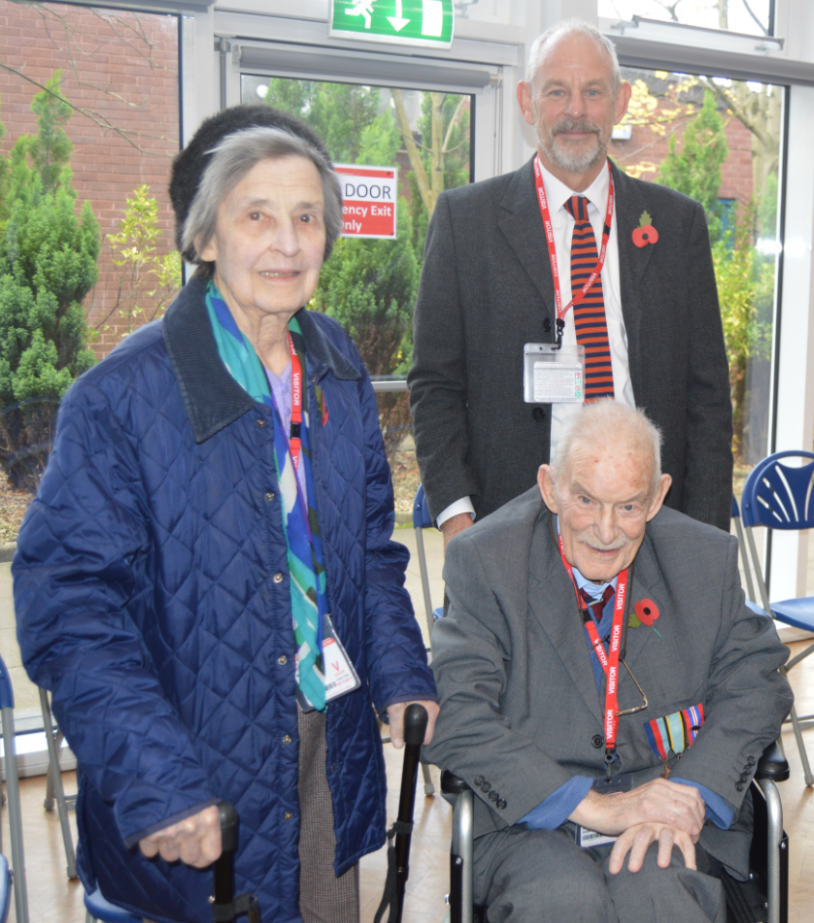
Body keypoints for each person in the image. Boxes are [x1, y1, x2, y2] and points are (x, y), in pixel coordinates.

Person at [13, 105, 439, 923]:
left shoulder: (337, 363)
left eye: (306, 217)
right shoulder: (119, 399)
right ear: (205, 239)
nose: (287, 242)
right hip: (194, 756)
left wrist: (402, 675)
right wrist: (159, 782)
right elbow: (69, 609)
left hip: (327, 732)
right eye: (257, 216)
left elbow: (367, 548)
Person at [424, 400, 791, 923]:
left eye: (628, 506)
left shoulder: (704, 559)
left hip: (665, 795)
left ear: (658, 496)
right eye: (586, 499)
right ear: (550, 487)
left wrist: (689, 794)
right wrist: (594, 807)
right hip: (531, 818)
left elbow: (757, 682)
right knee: (561, 901)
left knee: (658, 896)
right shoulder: (485, 562)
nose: (605, 530)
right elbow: (458, 713)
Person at [408, 19, 733, 550]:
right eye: (556, 91)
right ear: (527, 102)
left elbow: (709, 401)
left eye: (593, 92)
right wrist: (458, 521)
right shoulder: (464, 221)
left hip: (650, 525)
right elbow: (434, 385)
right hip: (508, 529)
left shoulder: (678, 225)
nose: (575, 110)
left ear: (621, 101)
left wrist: (702, 542)